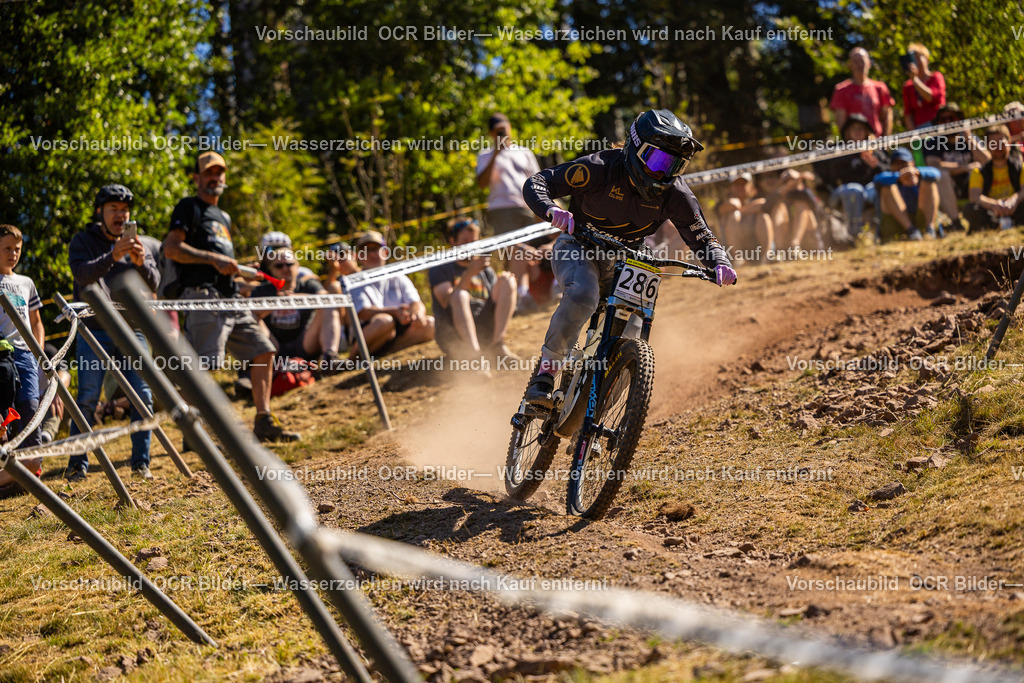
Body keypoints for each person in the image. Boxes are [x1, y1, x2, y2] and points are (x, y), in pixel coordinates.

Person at [520, 109, 736, 406]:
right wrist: (551, 209)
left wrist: (719, 261)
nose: (664, 173)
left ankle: (598, 417)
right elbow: (539, 182)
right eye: (659, 160)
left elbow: (701, 235)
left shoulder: (676, 195)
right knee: (584, 294)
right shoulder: (599, 168)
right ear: (636, 148)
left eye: (675, 165)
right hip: (579, 245)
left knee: (633, 331)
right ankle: (545, 375)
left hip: (627, 255)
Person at [163, 152, 300, 443]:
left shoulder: (223, 217)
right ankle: (194, 432)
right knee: (202, 366)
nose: (215, 178)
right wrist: (212, 259)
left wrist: (244, 277)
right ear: (197, 178)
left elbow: (225, 267)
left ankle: (263, 420)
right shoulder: (189, 207)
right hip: (203, 299)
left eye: (219, 172)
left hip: (232, 299)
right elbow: (172, 249)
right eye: (208, 173)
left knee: (263, 350)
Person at [64, 184, 160, 480]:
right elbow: (81, 275)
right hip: (94, 330)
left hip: (133, 329)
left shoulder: (138, 244)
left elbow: (155, 283)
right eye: (113, 210)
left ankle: (140, 463)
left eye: (124, 210)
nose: (120, 215)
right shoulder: (83, 240)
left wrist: (141, 263)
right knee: (89, 397)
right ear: (100, 212)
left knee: (142, 395)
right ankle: (77, 465)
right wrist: (111, 256)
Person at [475, 113, 550, 312]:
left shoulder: (524, 152)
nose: (502, 133)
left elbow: (536, 181)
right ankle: (520, 296)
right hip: (500, 211)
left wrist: (539, 209)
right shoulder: (485, 155)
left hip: (525, 208)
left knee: (527, 253)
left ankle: (527, 295)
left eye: (504, 129)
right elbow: (481, 184)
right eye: (498, 130)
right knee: (515, 250)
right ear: (491, 133)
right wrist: (495, 155)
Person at [428, 219, 517, 362]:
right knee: (460, 295)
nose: (470, 246)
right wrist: (470, 273)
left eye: (474, 241)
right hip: (453, 334)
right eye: (465, 242)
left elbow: (497, 301)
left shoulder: (485, 269)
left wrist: (504, 281)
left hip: (484, 328)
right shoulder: (440, 268)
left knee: (508, 280)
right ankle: (474, 358)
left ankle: (497, 346)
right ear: (453, 241)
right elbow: (446, 302)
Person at [0, 224, 45, 490]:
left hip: (27, 355)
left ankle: (30, 467)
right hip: (1, 355)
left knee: (30, 407)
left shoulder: (26, 282)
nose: (13, 253)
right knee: (3, 414)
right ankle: (11, 472)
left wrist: (38, 352)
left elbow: (37, 321)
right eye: (6, 248)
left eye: (17, 249)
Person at [252, 248, 342, 369]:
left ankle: (330, 358)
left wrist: (295, 299)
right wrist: (278, 303)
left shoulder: (308, 285)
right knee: (250, 316)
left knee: (329, 306)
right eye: (279, 266)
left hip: (306, 343)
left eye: (289, 264)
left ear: (297, 266)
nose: (285, 268)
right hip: (274, 348)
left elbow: (326, 298)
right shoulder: (261, 291)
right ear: (270, 270)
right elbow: (250, 313)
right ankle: (254, 369)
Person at [348, 230, 435, 357]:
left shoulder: (397, 276)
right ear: (360, 256)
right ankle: (352, 360)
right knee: (384, 321)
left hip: (399, 330)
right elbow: (363, 312)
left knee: (430, 324)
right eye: (366, 251)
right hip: (371, 330)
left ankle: (388, 353)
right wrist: (395, 312)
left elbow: (416, 302)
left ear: (386, 252)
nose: (372, 254)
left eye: (375, 249)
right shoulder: (354, 281)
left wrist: (418, 315)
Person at [815, 113, 890, 239]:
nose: (858, 132)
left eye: (861, 128)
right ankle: (854, 235)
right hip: (844, 192)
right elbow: (828, 174)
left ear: (867, 131)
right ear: (847, 132)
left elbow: (888, 171)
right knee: (854, 190)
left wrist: (875, 165)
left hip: (869, 190)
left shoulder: (875, 149)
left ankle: (881, 232)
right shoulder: (839, 150)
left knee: (878, 188)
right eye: (854, 128)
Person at [922, 103, 991, 231]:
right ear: (937, 123)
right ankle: (956, 223)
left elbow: (987, 160)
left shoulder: (970, 138)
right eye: (943, 119)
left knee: (981, 172)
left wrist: (968, 138)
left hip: (971, 184)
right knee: (941, 175)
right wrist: (964, 167)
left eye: (952, 118)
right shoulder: (932, 142)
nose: (948, 122)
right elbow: (933, 165)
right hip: (948, 188)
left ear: (959, 119)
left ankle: (989, 216)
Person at [963, 125, 1024, 231]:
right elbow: (974, 196)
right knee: (970, 209)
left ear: (1009, 142)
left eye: (1001, 142)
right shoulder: (979, 172)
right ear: (987, 146)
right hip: (992, 213)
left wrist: (1014, 200)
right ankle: (993, 227)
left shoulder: (1020, 167)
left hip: (1016, 209)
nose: (998, 147)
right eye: (993, 143)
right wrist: (994, 205)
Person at [874, 148, 941, 241]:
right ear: (891, 166)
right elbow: (878, 180)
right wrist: (900, 176)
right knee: (887, 188)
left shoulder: (920, 174)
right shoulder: (888, 177)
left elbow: (936, 174)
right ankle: (911, 230)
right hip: (897, 223)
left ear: (912, 163)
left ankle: (929, 230)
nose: (901, 166)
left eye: (904, 163)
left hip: (920, 218)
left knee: (929, 182)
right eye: (896, 163)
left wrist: (917, 173)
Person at [830, 47, 895, 137]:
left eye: (862, 61)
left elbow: (887, 117)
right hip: (854, 144)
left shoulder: (880, 87)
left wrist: (886, 142)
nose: (859, 65)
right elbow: (841, 123)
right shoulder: (841, 90)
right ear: (850, 65)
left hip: (877, 141)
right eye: (855, 62)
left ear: (869, 63)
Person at [717, 173, 774, 262]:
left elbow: (762, 203)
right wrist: (744, 211)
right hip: (731, 251)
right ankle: (738, 259)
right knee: (733, 216)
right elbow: (731, 205)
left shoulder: (755, 198)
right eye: (736, 184)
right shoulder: (723, 203)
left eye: (743, 184)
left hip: (755, 247)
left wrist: (741, 212)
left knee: (764, 216)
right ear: (730, 187)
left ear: (750, 186)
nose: (740, 187)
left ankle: (766, 256)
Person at [901, 44, 946, 130]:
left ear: (927, 59)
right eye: (913, 58)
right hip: (920, 130)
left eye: (918, 57)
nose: (915, 62)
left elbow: (930, 97)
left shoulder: (936, 77)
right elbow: (908, 114)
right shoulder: (908, 86)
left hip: (939, 126)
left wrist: (915, 80)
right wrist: (914, 137)